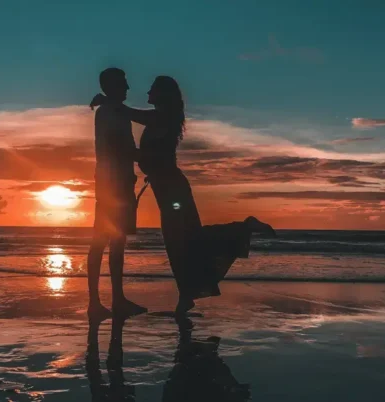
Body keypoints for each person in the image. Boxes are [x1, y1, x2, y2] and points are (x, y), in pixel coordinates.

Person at [90, 76, 276, 315]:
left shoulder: (160, 117)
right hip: (167, 188)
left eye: (152, 89)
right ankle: (186, 296)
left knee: (186, 239)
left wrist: (108, 106)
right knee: (181, 242)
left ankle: (244, 227)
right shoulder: (162, 117)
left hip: (172, 189)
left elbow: (130, 116)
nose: (147, 91)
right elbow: (136, 127)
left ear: (162, 94)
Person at [87, 67, 147, 321]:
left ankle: (113, 299)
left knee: (114, 241)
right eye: (123, 83)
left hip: (115, 183)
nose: (128, 88)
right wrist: (152, 159)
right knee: (104, 240)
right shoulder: (111, 112)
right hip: (115, 186)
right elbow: (121, 147)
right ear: (112, 86)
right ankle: (99, 302)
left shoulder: (112, 110)